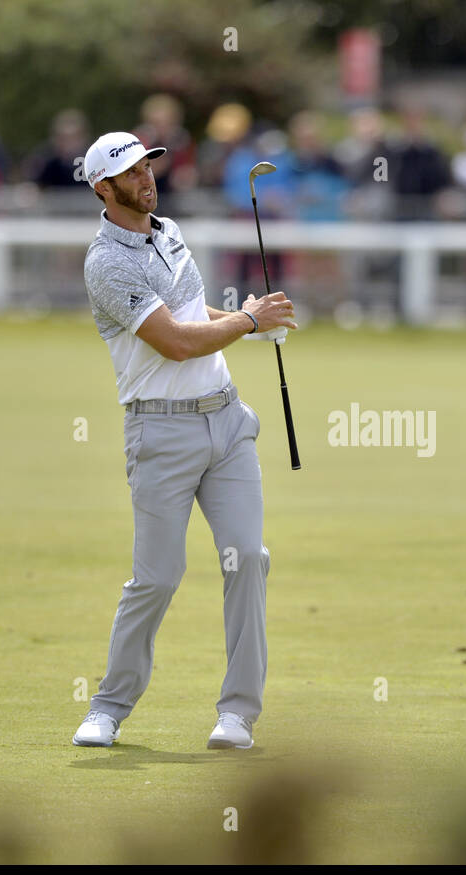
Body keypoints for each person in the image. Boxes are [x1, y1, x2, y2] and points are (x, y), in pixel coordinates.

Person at [73, 132, 298, 751]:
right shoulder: (107, 263)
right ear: (102, 188)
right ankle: (109, 707)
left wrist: (246, 321)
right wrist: (249, 321)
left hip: (227, 424)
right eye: (131, 171)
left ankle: (237, 714)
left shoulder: (169, 232)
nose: (146, 177)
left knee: (247, 559)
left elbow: (197, 324)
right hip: (160, 431)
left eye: (148, 164)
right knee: (158, 576)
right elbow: (173, 342)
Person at [30, 109, 90, 188]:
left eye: (73, 138)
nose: (69, 144)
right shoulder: (47, 164)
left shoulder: (93, 164)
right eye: (64, 139)